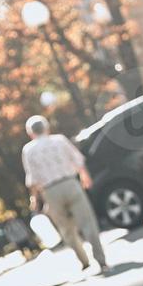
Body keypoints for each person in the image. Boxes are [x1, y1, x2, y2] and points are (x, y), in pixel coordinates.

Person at [21, 115, 109, 274]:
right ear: (47, 128)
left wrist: (35, 199)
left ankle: (83, 261)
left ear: (30, 133)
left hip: (50, 191)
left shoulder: (28, 150)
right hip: (70, 184)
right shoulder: (59, 140)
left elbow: (32, 178)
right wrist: (85, 176)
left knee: (66, 229)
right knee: (87, 222)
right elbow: (78, 160)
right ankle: (101, 260)